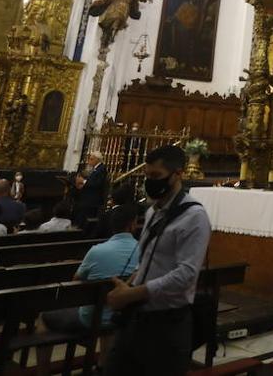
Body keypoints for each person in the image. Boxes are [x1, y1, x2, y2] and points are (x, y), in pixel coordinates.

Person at [102, 145, 210, 376]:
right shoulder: (153, 211)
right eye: (147, 176)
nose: (149, 182)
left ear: (178, 174)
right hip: (136, 317)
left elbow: (187, 275)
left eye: (156, 176)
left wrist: (134, 293)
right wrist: (130, 284)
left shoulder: (194, 217)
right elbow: (149, 258)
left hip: (167, 324)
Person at [43, 204, 141, 334]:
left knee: (46, 317)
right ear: (132, 225)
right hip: (126, 316)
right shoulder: (144, 250)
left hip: (91, 319)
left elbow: (75, 283)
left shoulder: (97, 251)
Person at [74, 151, 108, 229]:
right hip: (88, 198)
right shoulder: (96, 169)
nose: (89, 161)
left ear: (97, 159)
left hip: (92, 200)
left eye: (91, 159)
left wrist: (83, 181)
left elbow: (97, 184)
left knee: (86, 218)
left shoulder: (101, 169)